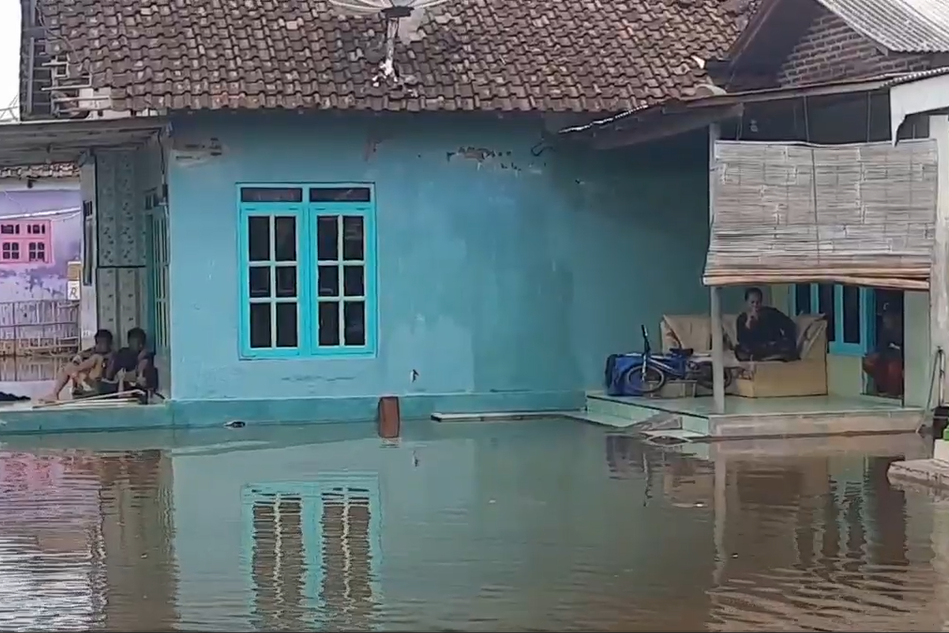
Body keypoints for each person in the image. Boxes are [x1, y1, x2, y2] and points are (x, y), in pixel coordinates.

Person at [41, 329, 114, 402]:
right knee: (64, 369)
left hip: (100, 383)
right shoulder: (91, 351)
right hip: (86, 379)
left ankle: (77, 373)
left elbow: (109, 376)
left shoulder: (112, 356)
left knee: (96, 357)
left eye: (102, 343)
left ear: (109, 343)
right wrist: (76, 361)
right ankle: (55, 394)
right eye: (98, 343)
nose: (99, 346)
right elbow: (79, 355)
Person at [734, 287, 799, 362]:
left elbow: (789, 324)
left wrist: (784, 338)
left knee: (787, 346)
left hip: (771, 346)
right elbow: (741, 340)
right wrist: (748, 325)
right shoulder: (741, 318)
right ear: (747, 302)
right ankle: (762, 358)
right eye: (752, 302)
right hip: (753, 349)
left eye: (758, 302)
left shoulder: (771, 313)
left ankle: (765, 358)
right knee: (739, 350)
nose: (755, 305)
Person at [100, 327, 157, 395]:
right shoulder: (123, 353)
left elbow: (141, 378)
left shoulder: (145, 357)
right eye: (133, 342)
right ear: (128, 342)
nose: (139, 345)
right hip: (116, 386)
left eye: (140, 343)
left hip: (131, 390)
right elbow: (110, 375)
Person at [863, 305, 903, 398]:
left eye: (887, 317)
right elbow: (881, 347)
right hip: (887, 355)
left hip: (900, 358)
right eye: (884, 317)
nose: (885, 320)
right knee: (868, 362)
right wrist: (874, 355)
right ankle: (882, 388)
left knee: (893, 367)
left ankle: (893, 392)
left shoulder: (902, 329)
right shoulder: (885, 331)